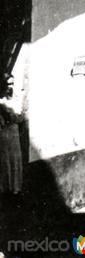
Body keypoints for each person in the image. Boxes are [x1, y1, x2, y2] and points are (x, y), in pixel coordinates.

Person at [0, 72, 24, 209]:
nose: (11, 87)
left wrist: (13, 117)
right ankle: (5, 191)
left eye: (12, 84)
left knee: (15, 161)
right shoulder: (0, 101)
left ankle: (16, 191)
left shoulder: (15, 100)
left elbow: (20, 117)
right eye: (8, 84)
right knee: (5, 162)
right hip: (4, 135)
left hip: (14, 134)